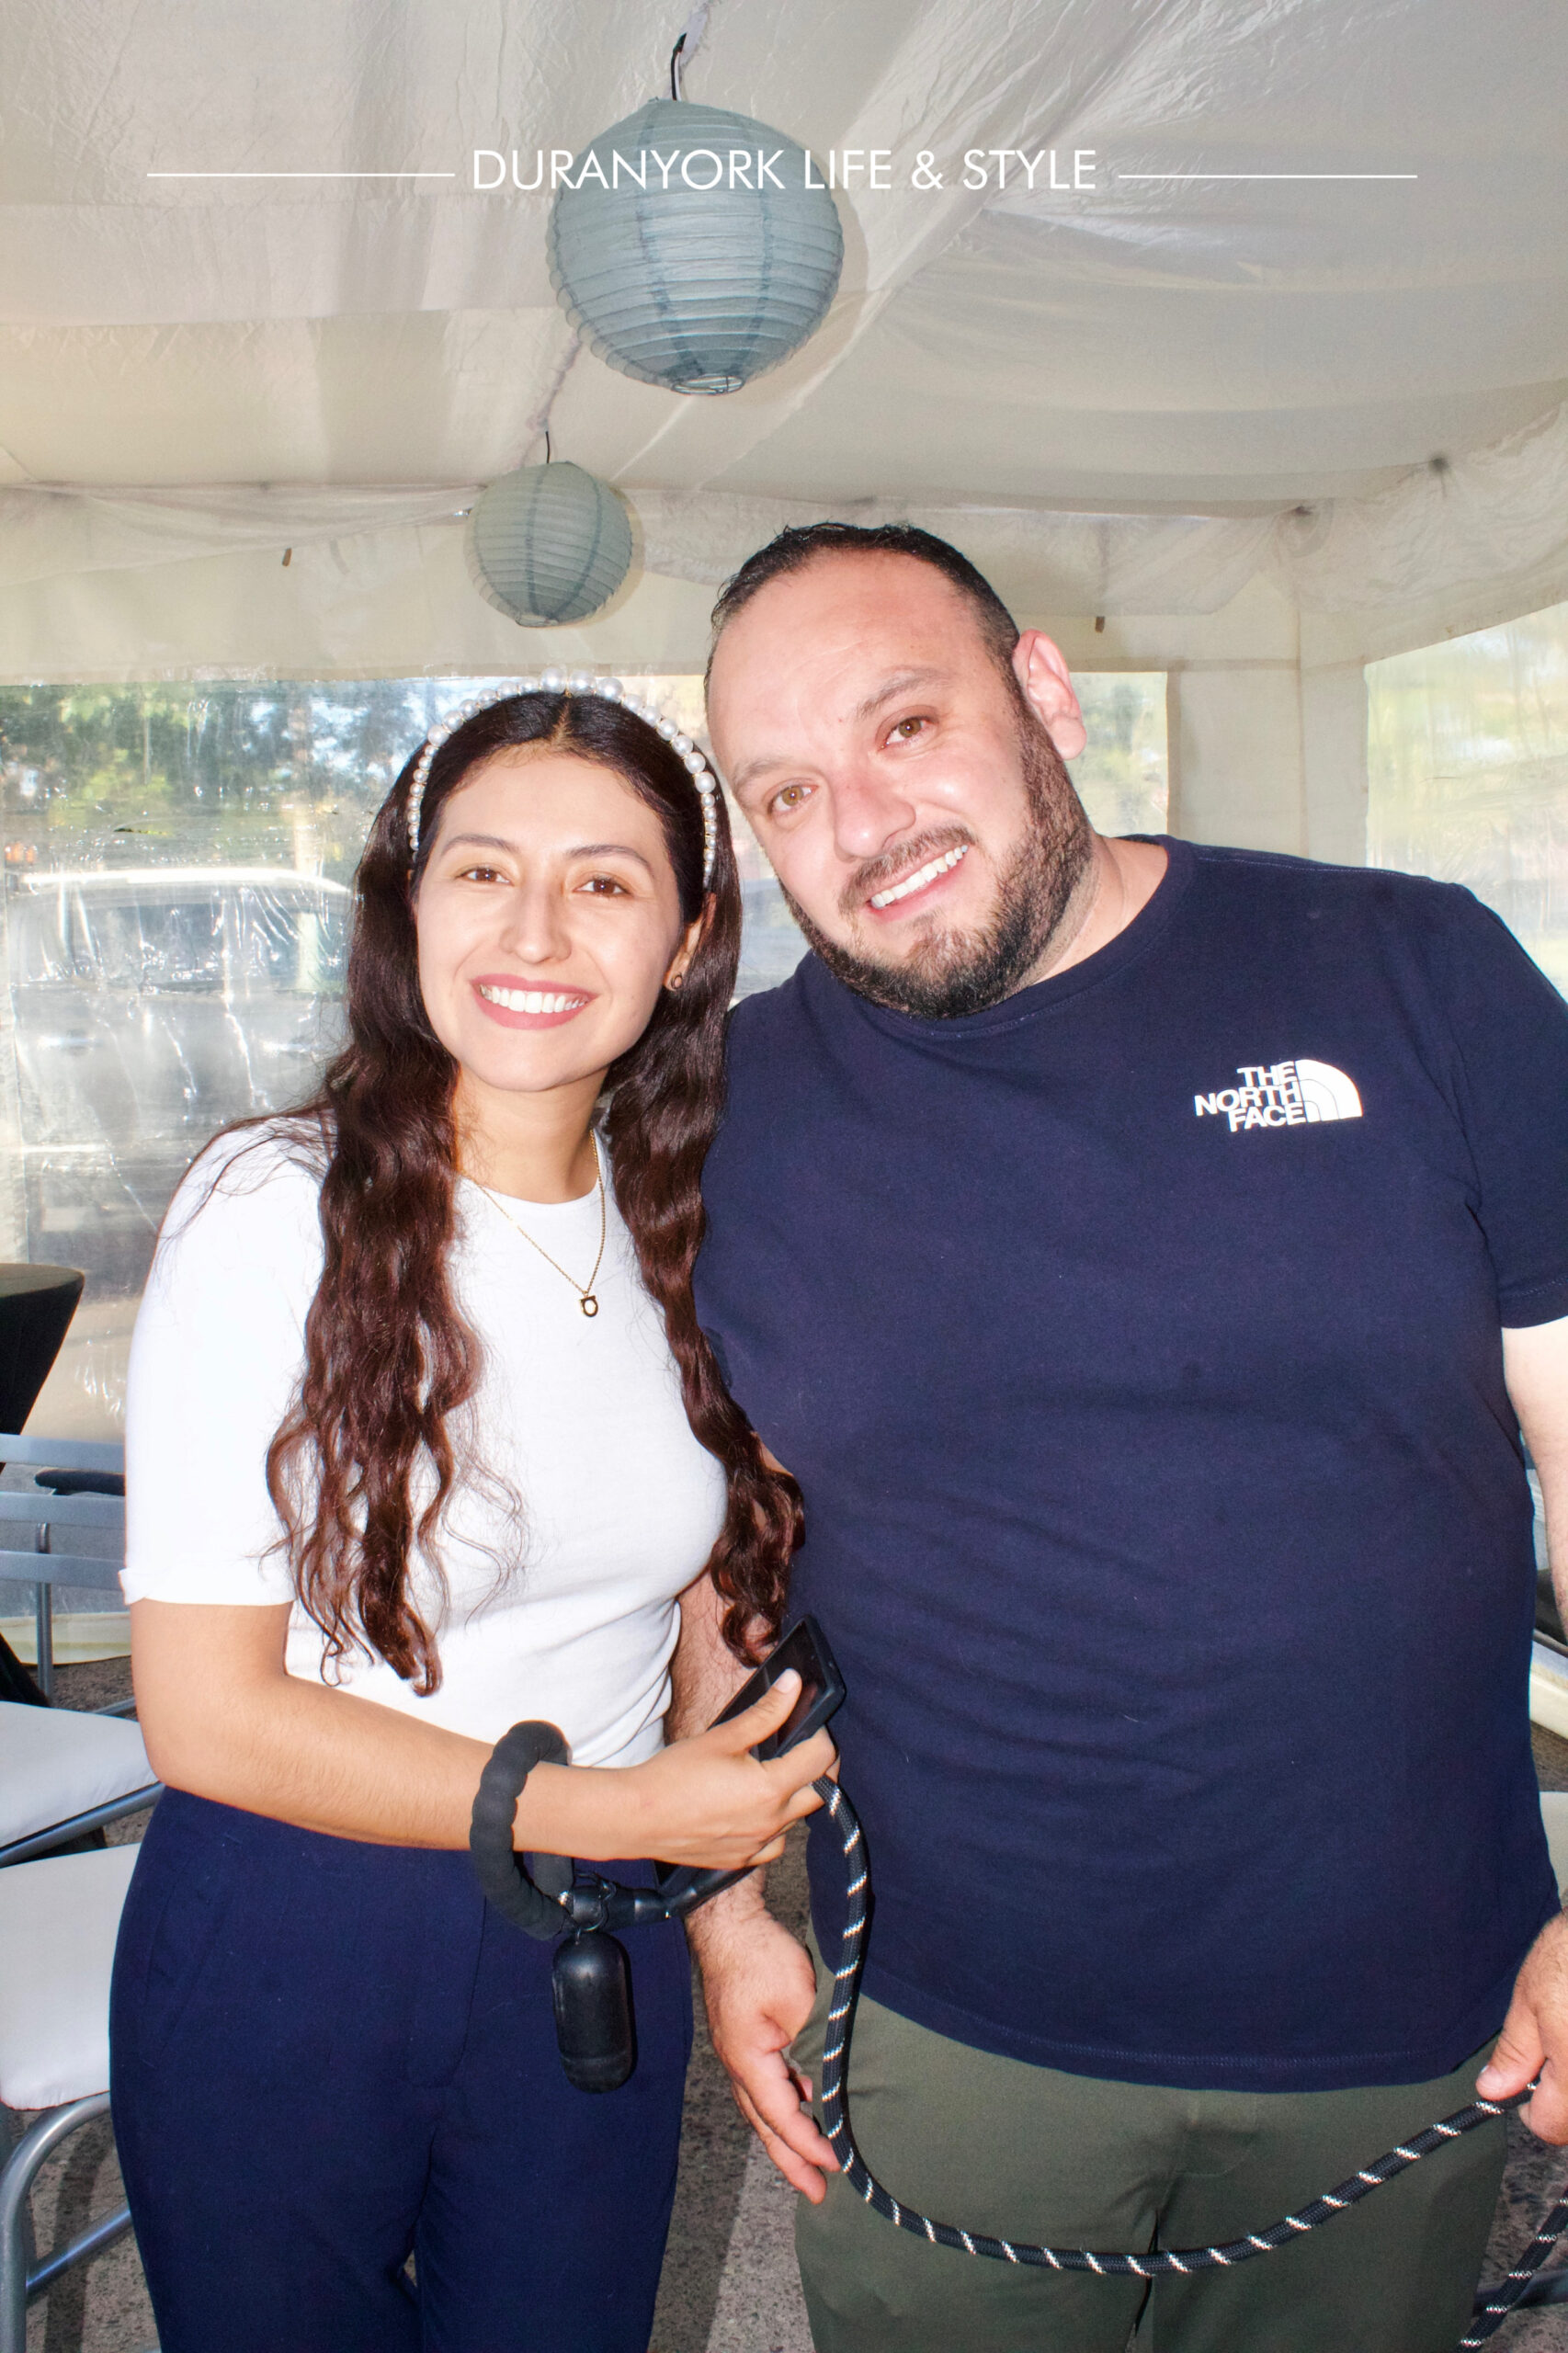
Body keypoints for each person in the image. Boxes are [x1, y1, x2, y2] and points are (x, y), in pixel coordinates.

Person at [670, 521, 1568, 2353]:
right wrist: (719, 1905)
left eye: (904, 725)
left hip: (1403, 1999)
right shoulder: (727, 1113)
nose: (863, 822)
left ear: (1042, 693)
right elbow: (723, 1537)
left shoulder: (1411, 969)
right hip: (939, 2020)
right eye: (787, 791)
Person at [110, 680, 835, 2353]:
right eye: (483, 871)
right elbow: (203, 1717)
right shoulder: (271, 1208)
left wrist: (724, 1918)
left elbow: (700, 1591)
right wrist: (616, 1809)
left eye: (604, 881)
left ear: (688, 938)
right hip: (298, 1919)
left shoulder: (694, 1224)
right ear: (409, 904)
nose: (535, 931)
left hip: (596, 1926)